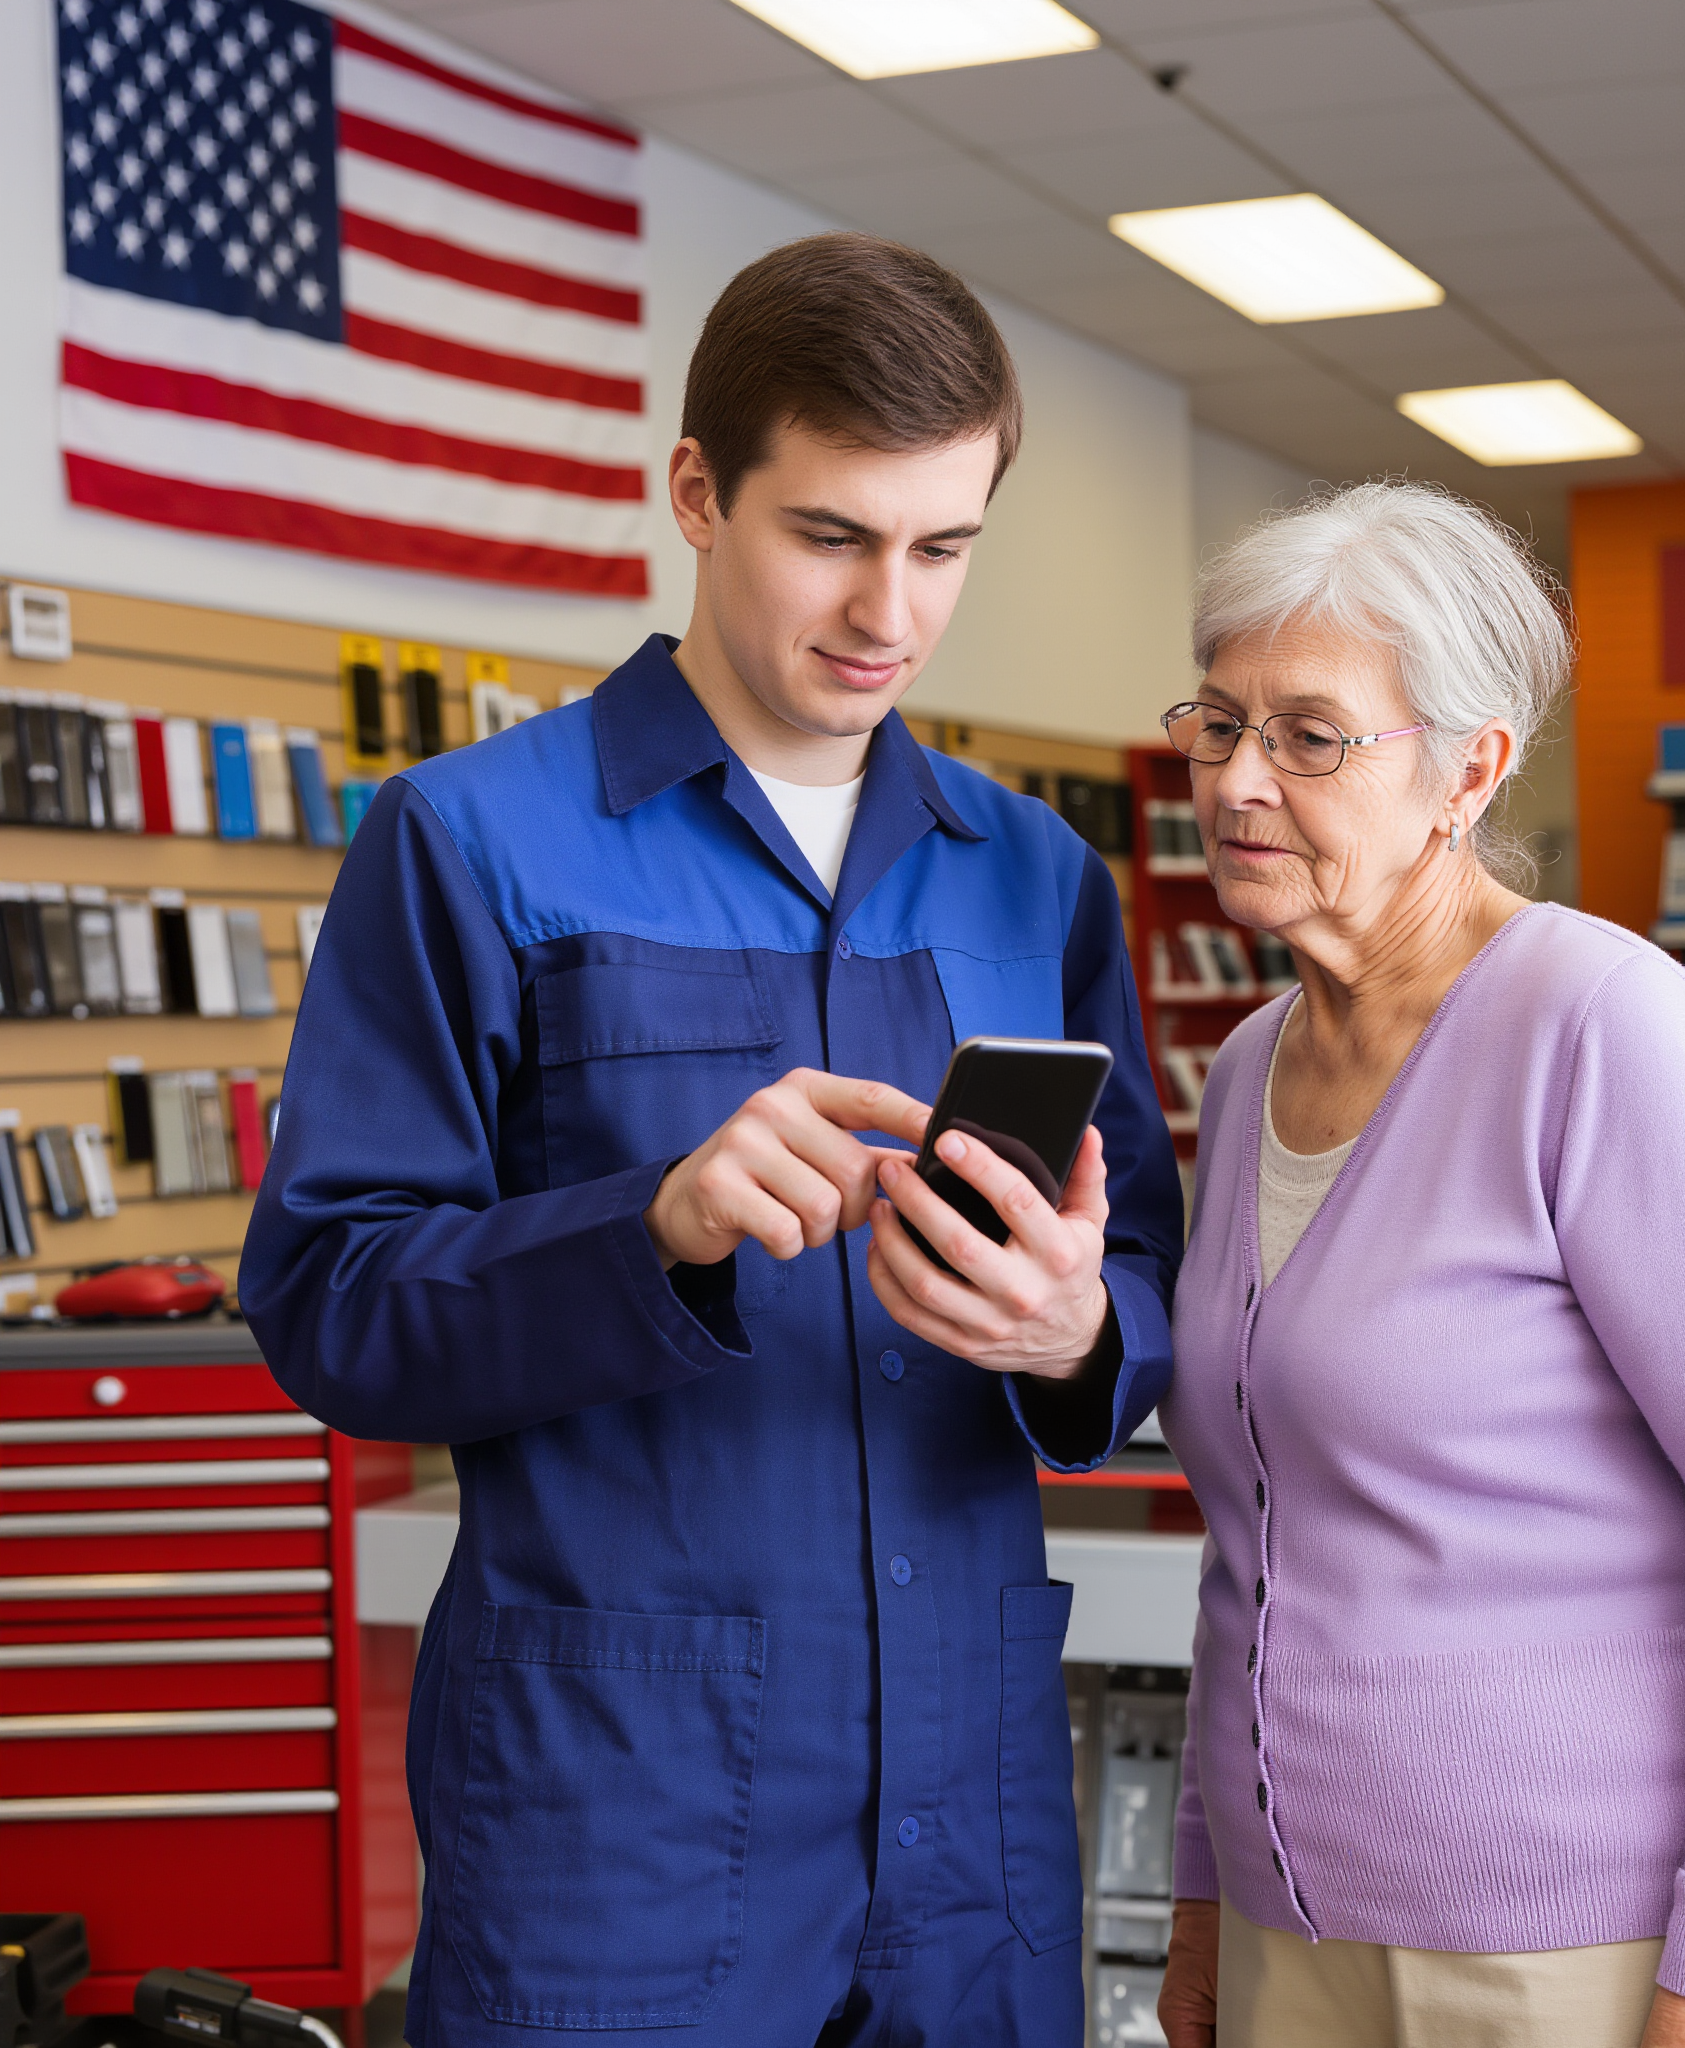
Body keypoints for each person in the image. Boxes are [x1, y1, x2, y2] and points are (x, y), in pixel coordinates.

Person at [240, 233, 1182, 2048]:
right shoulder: (467, 845)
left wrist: (1079, 1332)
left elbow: (1139, 1271)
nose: (888, 613)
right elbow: (329, 1305)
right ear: (696, 492)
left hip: (969, 1817)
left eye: (944, 547)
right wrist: (649, 1229)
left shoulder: (1037, 879)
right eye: (830, 536)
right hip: (614, 1822)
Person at [1151, 481, 1685, 2048]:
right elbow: (1254, 1550)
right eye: (1220, 724)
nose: (1238, 781)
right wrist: (1207, 1896)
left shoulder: (1600, 1029)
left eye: (1310, 734)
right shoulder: (1247, 1069)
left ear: (1469, 770)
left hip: (1576, 1959)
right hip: (1297, 1941)